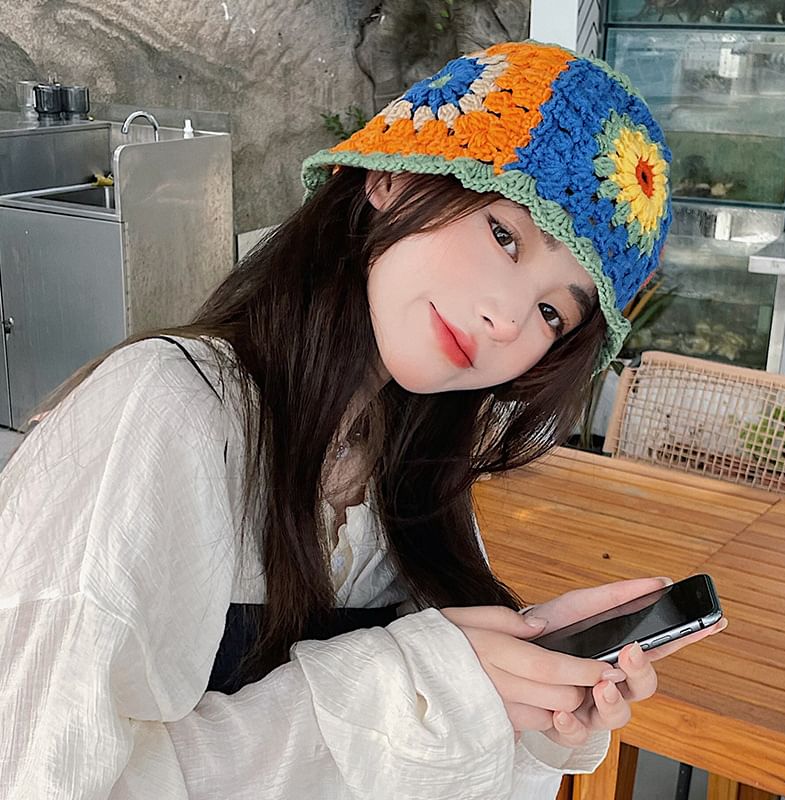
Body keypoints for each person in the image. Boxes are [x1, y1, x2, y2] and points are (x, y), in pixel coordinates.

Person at [0, 40, 726, 799]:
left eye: (552, 312)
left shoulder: (411, 476)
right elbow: (36, 772)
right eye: (505, 236)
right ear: (391, 175)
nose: (508, 320)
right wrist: (407, 690)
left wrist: (517, 700)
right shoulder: (163, 411)